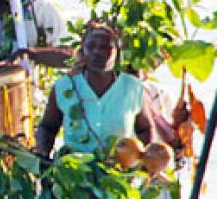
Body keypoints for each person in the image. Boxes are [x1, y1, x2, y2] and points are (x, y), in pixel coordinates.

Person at [35, 21, 167, 158]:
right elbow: (48, 127)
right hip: (75, 171)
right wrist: (43, 154)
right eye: (90, 47)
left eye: (105, 47)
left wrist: (143, 159)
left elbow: (145, 129)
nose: (97, 52)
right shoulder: (64, 87)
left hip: (119, 172)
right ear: (82, 49)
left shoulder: (132, 87)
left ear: (117, 51)